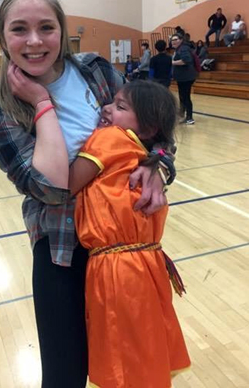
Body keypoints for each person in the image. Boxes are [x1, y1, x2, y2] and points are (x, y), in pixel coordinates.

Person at [0, 0, 176, 388]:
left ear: (62, 30)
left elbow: (156, 130)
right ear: (2, 38)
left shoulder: (97, 70)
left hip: (122, 252)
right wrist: (40, 103)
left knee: (130, 364)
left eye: (46, 27)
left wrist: (159, 165)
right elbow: (52, 189)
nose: (34, 41)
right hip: (60, 253)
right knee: (64, 374)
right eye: (19, 29)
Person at [69, 80, 191, 388]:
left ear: (148, 128)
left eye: (120, 107)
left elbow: (67, 184)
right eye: (112, 102)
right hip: (149, 264)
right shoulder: (143, 150)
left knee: (122, 354)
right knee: (146, 348)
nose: (107, 109)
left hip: (118, 269)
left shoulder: (110, 138)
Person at [171, 33, 197, 125]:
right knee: (182, 97)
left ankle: (189, 117)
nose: (173, 41)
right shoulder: (179, 49)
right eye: (172, 40)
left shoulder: (184, 49)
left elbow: (186, 60)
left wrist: (172, 62)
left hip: (186, 77)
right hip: (182, 77)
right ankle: (182, 115)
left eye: (176, 39)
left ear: (181, 40)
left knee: (186, 97)